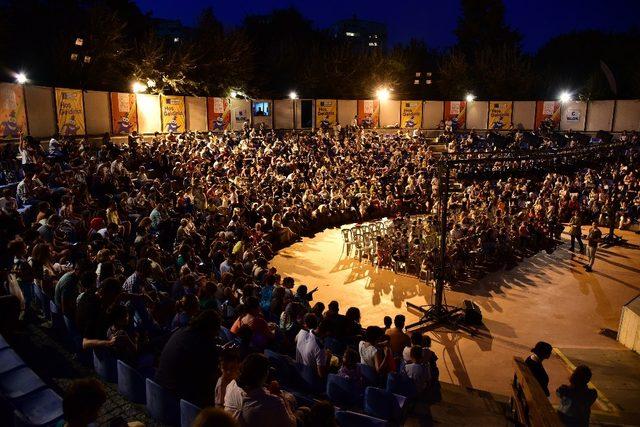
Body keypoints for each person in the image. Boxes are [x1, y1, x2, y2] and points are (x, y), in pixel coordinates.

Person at [155, 310, 221, 407]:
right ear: (212, 328)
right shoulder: (206, 344)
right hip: (178, 396)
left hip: (161, 385)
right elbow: (210, 377)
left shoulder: (182, 331)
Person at [224, 353, 297, 427]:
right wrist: (280, 396)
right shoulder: (273, 403)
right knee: (304, 410)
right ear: (264, 375)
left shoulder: (231, 385)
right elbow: (292, 424)